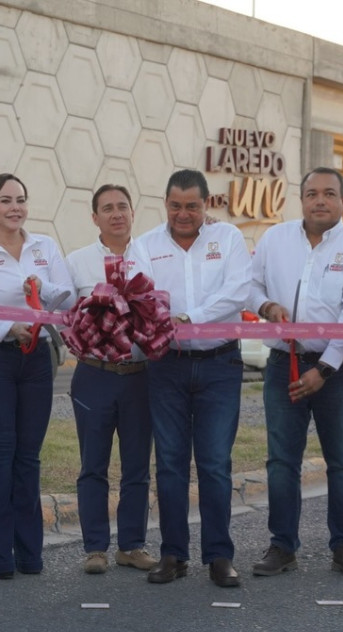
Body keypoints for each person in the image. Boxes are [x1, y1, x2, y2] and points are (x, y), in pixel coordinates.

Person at [248, 167, 343, 580]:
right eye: (311, 194)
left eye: (328, 193)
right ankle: (282, 546)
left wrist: (324, 369)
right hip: (282, 364)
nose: (319, 200)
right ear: (300, 199)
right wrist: (267, 307)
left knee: (342, 461)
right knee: (281, 462)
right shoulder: (274, 239)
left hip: (337, 371)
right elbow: (249, 286)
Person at [0, 173, 74, 579]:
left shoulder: (45, 246)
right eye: (5, 201)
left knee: (28, 456)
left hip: (37, 358)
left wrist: (43, 287)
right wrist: (7, 328)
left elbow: (67, 296)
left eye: (20, 199)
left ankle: (29, 554)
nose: (15, 207)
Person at [136, 169, 250, 588]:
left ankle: (219, 556)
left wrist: (190, 318)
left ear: (207, 205)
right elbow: (141, 298)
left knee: (216, 464)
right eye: (176, 205)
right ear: (165, 203)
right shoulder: (144, 246)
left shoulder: (230, 239)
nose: (183, 214)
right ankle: (173, 554)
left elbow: (239, 290)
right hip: (166, 365)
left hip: (220, 365)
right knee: (169, 464)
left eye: (192, 206)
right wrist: (170, 322)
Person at [65, 184, 155, 575]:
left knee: (137, 466)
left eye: (123, 206)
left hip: (140, 377)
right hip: (94, 376)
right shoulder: (76, 262)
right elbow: (64, 315)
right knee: (93, 464)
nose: (116, 213)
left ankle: (132, 545)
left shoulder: (153, 255)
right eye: (107, 208)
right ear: (94, 217)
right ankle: (95, 548)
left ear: (133, 213)